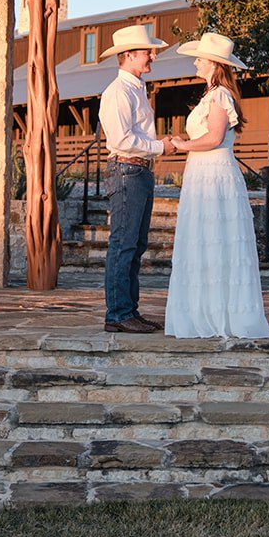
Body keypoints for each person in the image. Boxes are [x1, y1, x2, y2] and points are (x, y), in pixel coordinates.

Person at [162, 33, 269, 339]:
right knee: (203, 239)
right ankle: (203, 309)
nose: (195, 61)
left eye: (199, 57)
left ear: (213, 63)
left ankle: (219, 313)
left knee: (216, 238)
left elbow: (213, 138)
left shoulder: (220, 96)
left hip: (213, 173)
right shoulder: (210, 95)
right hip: (202, 172)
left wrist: (182, 144)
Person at [96, 23, 176, 333]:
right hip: (127, 171)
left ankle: (129, 310)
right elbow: (123, 138)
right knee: (123, 245)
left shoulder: (135, 89)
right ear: (128, 55)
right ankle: (117, 314)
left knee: (135, 244)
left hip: (138, 170)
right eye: (147, 52)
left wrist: (159, 145)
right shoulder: (118, 92)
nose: (152, 57)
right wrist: (160, 146)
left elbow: (136, 135)